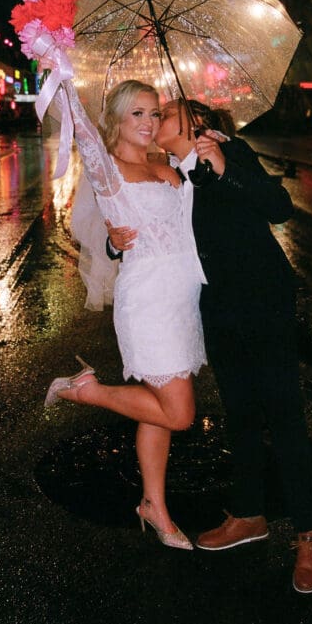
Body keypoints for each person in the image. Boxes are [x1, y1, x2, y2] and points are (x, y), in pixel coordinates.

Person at [109, 98, 312, 593]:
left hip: (262, 302)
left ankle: (310, 533)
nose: (155, 119)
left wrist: (226, 169)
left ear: (195, 123)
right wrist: (113, 242)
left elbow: (279, 207)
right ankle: (249, 514)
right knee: (240, 414)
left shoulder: (232, 152)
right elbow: (154, 228)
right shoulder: (169, 172)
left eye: (165, 112)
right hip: (216, 309)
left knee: (283, 415)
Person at [44, 79, 206, 550]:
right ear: (115, 118)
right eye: (137, 113)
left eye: (154, 114)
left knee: (157, 412)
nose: (149, 123)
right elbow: (80, 128)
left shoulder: (167, 162)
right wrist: (58, 63)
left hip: (184, 300)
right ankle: (86, 391)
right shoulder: (106, 168)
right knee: (179, 414)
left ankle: (153, 505)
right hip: (149, 303)